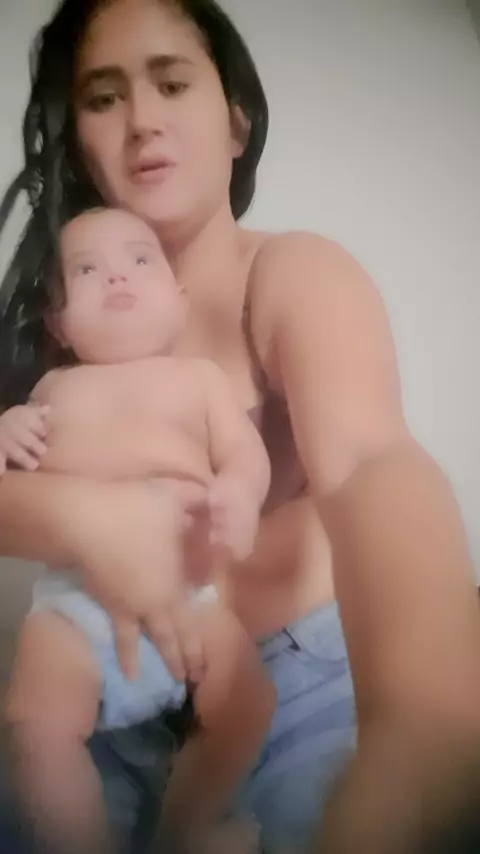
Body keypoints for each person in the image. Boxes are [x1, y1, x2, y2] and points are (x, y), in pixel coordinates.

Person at [0, 1, 479, 852]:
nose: (142, 119)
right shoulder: (69, 326)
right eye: (103, 98)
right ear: (79, 143)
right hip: (103, 679)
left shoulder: (290, 274)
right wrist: (84, 515)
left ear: (235, 123)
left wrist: (425, 718)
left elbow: (370, 463)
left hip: (292, 680)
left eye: (172, 83)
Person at [1, 205, 274, 854]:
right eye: (86, 270)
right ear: (57, 322)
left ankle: (187, 825)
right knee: (33, 725)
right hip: (76, 605)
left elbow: (245, 455)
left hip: (190, 598)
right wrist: (4, 430)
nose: (116, 276)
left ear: (179, 302)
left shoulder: (200, 380)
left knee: (247, 703)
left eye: (140, 259)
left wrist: (240, 492)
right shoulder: (50, 390)